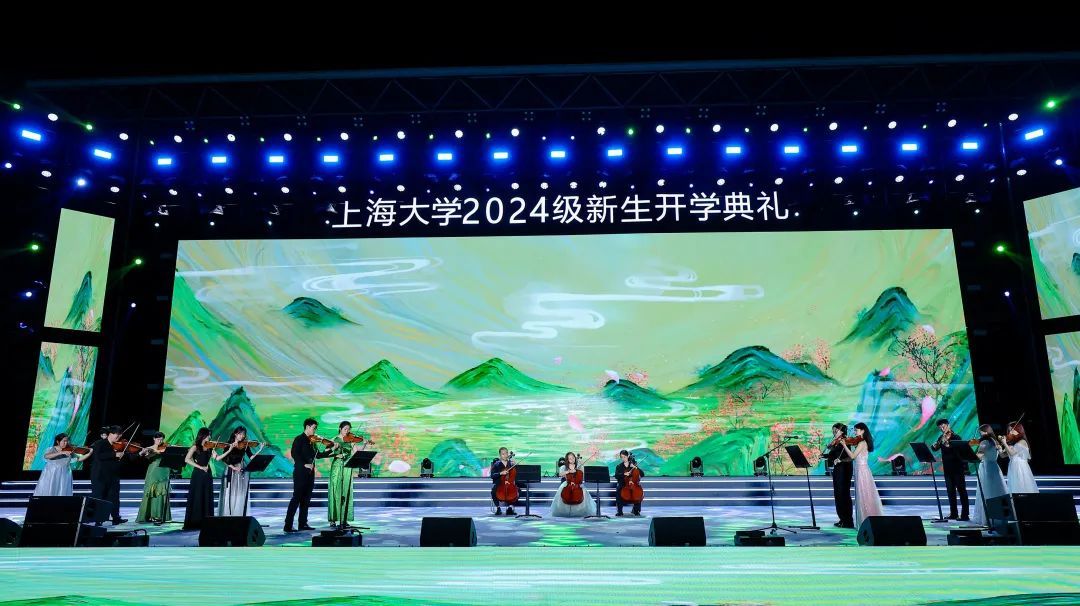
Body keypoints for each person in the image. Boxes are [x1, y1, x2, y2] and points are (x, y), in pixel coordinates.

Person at [284, 418, 334, 532]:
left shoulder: (312, 441)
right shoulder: (299, 439)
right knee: (296, 498)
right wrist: (304, 464)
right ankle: (288, 525)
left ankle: (303, 523)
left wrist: (330, 450)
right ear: (307, 427)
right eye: (314, 428)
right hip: (300, 472)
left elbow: (318, 455)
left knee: (306, 499)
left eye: (315, 428)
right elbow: (294, 454)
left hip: (310, 473)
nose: (315, 430)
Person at [841, 422, 884, 528]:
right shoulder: (861, 442)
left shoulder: (862, 443)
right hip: (861, 470)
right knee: (864, 495)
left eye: (856, 430)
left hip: (862, 470)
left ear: (863, 430)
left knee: (864, 495)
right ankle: (866, 520)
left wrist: (844, 445)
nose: (855, 432)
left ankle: (865, 520)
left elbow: (853, 456)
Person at [218, 426, 264, 517]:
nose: (242, 436)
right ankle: (229, 512)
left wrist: (260, 449)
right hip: (231, 469)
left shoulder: (244, 445)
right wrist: (233, 468)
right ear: (236, 434)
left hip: (240, 469)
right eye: (240, 434)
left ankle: (238, 512)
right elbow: (224, 459)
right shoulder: (229, 444)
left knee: (239, 491)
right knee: (231, 491)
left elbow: (251, 457)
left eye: (243, 434)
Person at [930, 418, 970, 521]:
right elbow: (934, 449)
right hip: (947, 469)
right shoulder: (941, 438)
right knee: (950, 492)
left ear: (948, 425)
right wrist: (937, 443)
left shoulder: (956, 437)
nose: (942, 429)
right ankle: (954, 513)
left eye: (943, 427)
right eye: (940, 428)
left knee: (962, 491)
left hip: (957, 468)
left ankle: (965, 514)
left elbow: (959, 451)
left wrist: (947, 443)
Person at [89, 425, 128, 526]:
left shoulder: (117, 445)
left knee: (114, 497)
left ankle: (116, 518)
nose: (118, 437)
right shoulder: (100, 443)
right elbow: (98, 456)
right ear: (110, 434)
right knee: (99, 497)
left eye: (120, 435)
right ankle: (98, 519)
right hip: (100, 476)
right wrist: (114, 454)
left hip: (113, 476)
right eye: (117, 434)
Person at [328, 421, 365, 527]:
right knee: (335, 490)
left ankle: (344, 519)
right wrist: (335, 453)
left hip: (347, 467)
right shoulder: (334, 439)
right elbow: (327, 452)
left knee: (346, 491)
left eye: (349, 429)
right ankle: (333, 519)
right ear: (340, 429)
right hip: (337, 467)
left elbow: (357, 452)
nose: (347, 431)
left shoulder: (350, 440)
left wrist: (365, 444)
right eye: (345, 429)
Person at [971, 424, 1007, 526]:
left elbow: (979, 456)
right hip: (994, 467)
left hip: (986, 467)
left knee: (986, 491)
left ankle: (987, 518)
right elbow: (1002, 455)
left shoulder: (985, 442)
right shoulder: (995, 441)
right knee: (995, 490)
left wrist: (969, 453)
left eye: (981, 432)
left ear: (986, 432)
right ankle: (998, 516)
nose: (980, 435)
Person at [183, 428, 215, 530]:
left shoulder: (210, 447)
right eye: (208, 435)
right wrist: (200, 467)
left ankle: (206, 522)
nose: (210, 437)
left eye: (210, 435)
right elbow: (187, 459)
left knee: (206, 496)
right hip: (198, 474)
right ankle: (195, 521)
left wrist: (229, 449)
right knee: (197, 496)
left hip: (207, 474)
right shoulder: (195, 447)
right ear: (203, 435)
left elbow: (217, 458)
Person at [136, 432, 172, 524]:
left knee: (161, 492)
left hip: (164, 470)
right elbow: (147, 457)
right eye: (158, 439)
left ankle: (159, 515)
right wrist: (150, 452)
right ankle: (149, 515)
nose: (160, 441)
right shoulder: (149, 448)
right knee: (151, 492)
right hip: (154, 471)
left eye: (161, 439)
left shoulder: (166, 447)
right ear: (154, 439)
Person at [824, 423, 854, 528]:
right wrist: (824, 455)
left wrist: (839, 459)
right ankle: (842, 519)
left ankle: (847, 521)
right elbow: (834, 455)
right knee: (838, 494)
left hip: (844, 469)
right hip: (838, 469)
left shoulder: (845, 440)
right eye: (833, 431)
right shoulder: (837, 442)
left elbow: (848, 456)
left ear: (841, 431)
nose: (834, 433)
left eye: (836, 431)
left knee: (843, 494)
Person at [550, 452, 592, 518]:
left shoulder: (579, 466)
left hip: (577, 485)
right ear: (567, 460)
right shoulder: (564, 467)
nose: (572, 460)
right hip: (567, 484)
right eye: (570, 458)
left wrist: (580, 467)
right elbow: (560, 474)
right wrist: (568, 471)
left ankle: (579, 512)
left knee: (584, 493)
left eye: (573, 458)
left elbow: (583, 474)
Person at [1001, 422, 1039, 494]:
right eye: (1009, 431)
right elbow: (1003, 456)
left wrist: (1005, 443)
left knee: (1021, 485)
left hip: (1020, 467)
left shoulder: (1022, 441)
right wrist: (1000, 448)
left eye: (1012, 430)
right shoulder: (1013, 443)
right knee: (1015, 485)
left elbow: (1012, 453)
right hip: (1013, 466)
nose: (1010, 432)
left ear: (1018, 430)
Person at [614, 450, 644, 516]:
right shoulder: (619, 466)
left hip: (633, 484)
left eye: (624, 457)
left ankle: (636, 510)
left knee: (638, 493)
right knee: (618, 489)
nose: (623, 459)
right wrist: (624, 474)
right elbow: (616, 476)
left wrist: (636, 467)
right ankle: (619, 511)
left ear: (628, 456)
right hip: (623, 485)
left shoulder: (633, 465)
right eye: (622, 457)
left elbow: (642, 474)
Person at [489, 447, 518, 516]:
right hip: (500, 484)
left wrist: (515, 465)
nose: (505, 455)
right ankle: (498, 508)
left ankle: (510, 508)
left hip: (509, 483)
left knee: (518, 491)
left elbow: (514, 475)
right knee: (493, 492)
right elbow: (492, 475)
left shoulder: (511, 464)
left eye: (506, 453)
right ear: (500, 455)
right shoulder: (496, 464)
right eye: (503, 454)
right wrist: (500, 473)